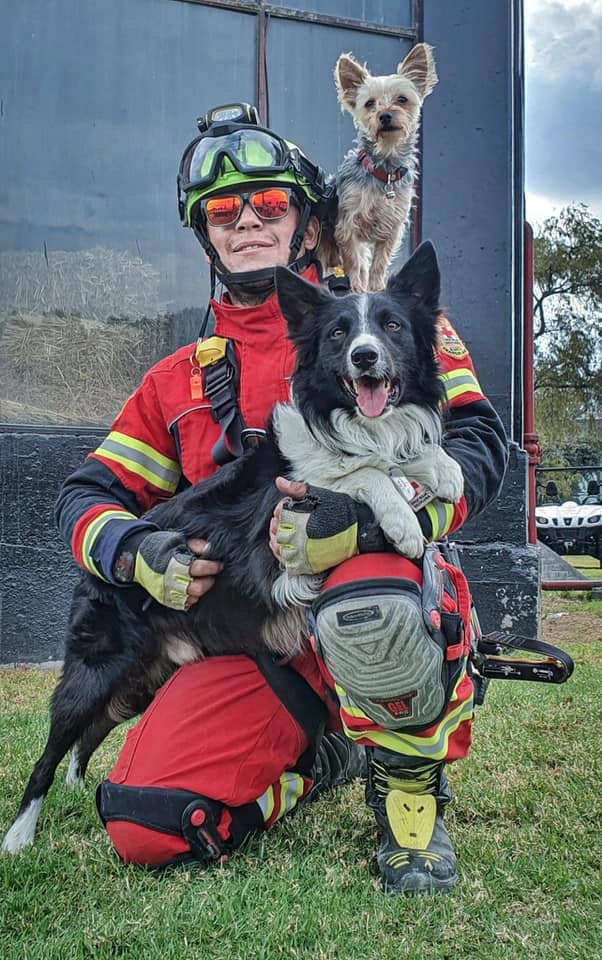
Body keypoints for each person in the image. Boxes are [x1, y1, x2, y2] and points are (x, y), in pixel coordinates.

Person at [56, 103, 508, 894]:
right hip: (260, 645)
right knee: (145, 824)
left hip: (385, 605)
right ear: (205, 234)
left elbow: (478, 443)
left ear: (305, 219)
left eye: (269, 203)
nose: (249, 223)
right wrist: (136, 553)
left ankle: (408, 797)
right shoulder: (178, 379)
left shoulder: (390, 322)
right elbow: (88, 494)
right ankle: (320, 755)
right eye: (225, 212)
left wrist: (392, 520)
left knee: (369, 570)